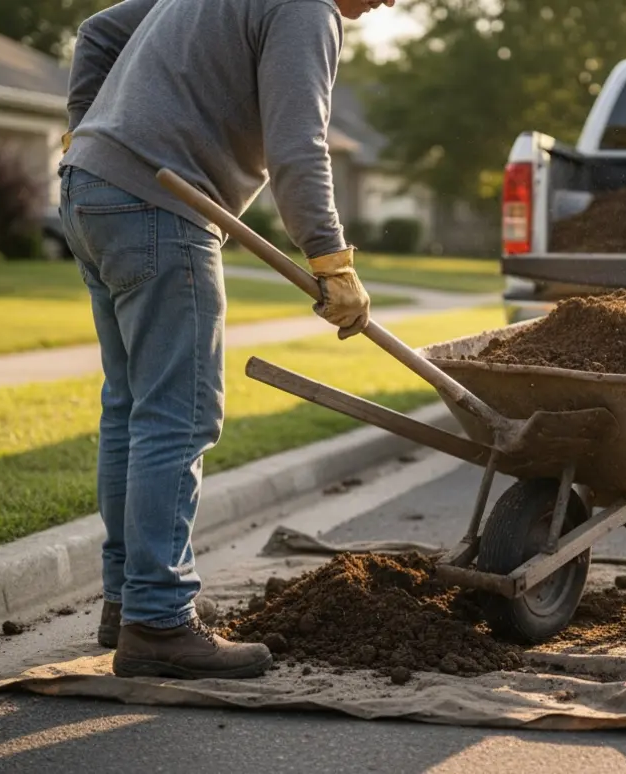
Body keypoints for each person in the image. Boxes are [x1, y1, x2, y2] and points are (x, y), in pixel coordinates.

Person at [59, 0, 394, 680]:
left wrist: (92, 138)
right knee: (178, 414)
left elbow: (97, 32)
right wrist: (331, 261)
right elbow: (299, 146)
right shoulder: (308, 12)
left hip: (93, 190)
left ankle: (128, 603)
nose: (391, 4)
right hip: (159, 203)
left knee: (132, 409)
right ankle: (157, 622)